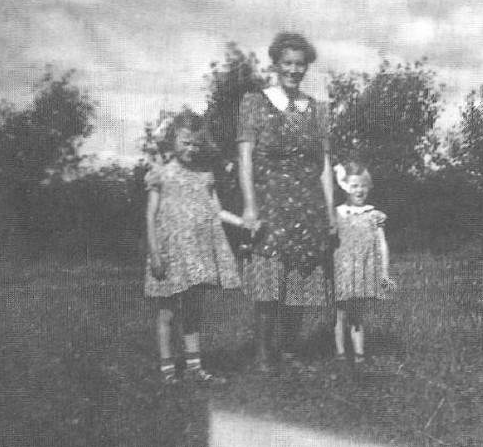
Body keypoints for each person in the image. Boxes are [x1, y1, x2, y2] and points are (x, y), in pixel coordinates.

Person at [236, 32, 335, 372]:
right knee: (269, 279)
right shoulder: (254, 102)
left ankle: (290, 351)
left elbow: (323, 166)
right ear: (276, 65)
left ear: (307, 67)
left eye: (300, 64)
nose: (294, 70)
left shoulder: (318, 110)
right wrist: (249, 205)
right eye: (288, 63)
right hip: (270, 201)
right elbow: (245, 158)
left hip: (308, 204)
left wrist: (330, 210)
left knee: (301, 280)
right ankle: (264, 354)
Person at [145, 111, 243, 383]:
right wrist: (154, 252)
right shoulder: (160, 174)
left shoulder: (204, 176)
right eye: (185, 142)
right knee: (167, 312)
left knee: (192, 309)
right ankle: (167, 369)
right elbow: (150, 215)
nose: (191, 149)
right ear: (172, 140)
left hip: (196, 254)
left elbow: (217, 211)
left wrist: (243, 222)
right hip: (168, 253)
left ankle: (194, 366)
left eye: (196, 144)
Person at [333, 160, 395, 364]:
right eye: (354, 186)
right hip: (341, 270)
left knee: (357, 313)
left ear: (369, 187)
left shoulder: (373, 215)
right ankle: (340, 353)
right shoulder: (338, 213)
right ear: (345, 188)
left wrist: (384, 272)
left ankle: (359, 354)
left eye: (363, 186)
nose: (359, 190)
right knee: (340, 312)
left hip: (363, 271)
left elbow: (382, 244)